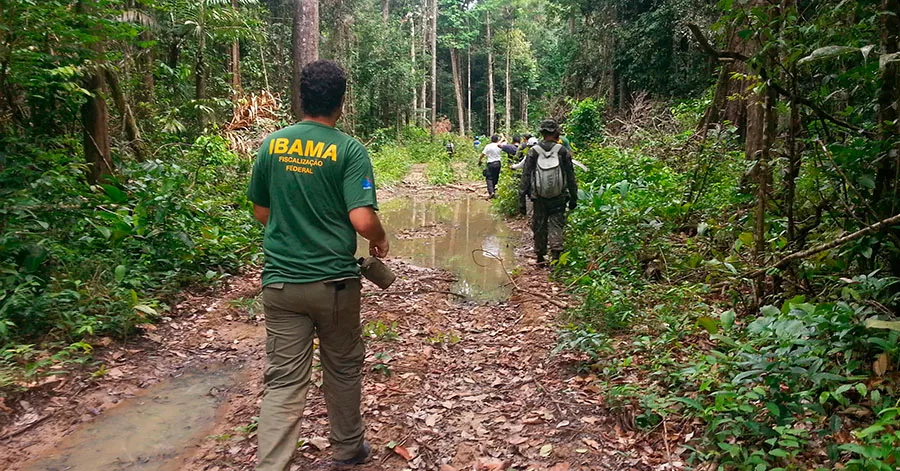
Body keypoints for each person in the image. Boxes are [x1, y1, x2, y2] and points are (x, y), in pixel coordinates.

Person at [247, 60, 389, 471]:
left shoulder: (272, 144)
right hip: (334, 285)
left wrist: (296, 227)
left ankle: (271, 465)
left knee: (284, 381)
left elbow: (261, 211)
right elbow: (361, 219)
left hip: (281, 284)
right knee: (342, 368)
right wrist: (378, 239)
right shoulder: (348, 149)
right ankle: (348, 450)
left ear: (302, 97)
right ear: (341, 103)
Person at [519, 119, 578, 265]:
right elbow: (570, 176)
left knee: (539, 224)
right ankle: (556, 255)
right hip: (559, 196)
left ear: (542, 132)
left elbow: (526, 176)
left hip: (538, 196)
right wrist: (573, 197)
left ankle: (540, 256)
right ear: (556, 132)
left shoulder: (534, 151)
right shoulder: (562, 151)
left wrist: (521, 198)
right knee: (556, 223)